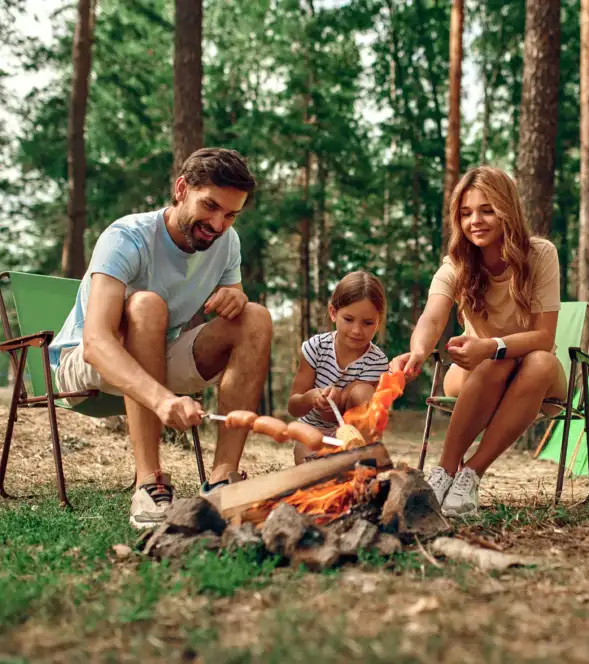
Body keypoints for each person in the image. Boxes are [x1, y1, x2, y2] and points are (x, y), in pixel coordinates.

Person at [49, 147, 273, 529]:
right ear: (182, 188)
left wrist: (235, 297)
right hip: (85, 363)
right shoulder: (127, 237)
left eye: (231, 214)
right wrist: (162, 399)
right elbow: (96, 342)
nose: (218, 225)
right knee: (147, 306)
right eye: (210, 206)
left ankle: (222, 481)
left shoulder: (227, 242)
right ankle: (148, 483)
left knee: (255, 317)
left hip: (161, 354)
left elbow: (232, 306)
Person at [390, 166, 566, 516]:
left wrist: (492, 345)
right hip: (478, 374)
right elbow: (433, 317)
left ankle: (471, 473)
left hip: (536, 377)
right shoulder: (457, 263)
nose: (476, 221)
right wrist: (418, 352)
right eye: (466, 213)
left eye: (487, 210)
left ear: (507, 210)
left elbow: (544, 339)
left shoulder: (540, 255)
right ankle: (444, 471)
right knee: (493, 362)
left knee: (537, 360)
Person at [287, 271, 389, 459]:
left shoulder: (377, 361)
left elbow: (362, 411)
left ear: (379, 322)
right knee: (311, 471)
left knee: (364, 393)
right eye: (348, 320)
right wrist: (311, 398)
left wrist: (341, 396)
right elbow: (293, 407)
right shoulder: (316, 347)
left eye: (367, 323)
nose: (357, 330)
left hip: (351, 435)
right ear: (333, 313)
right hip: (313, 431)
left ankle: (364, 459)